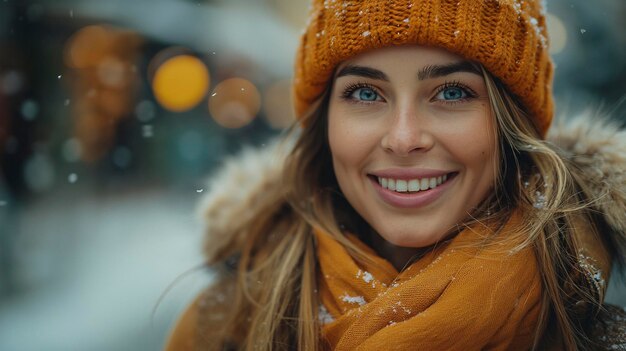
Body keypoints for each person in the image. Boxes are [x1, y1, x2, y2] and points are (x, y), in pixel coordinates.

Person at [165, 0, 626, 350]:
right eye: (365, 92)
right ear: (325, 124)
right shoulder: (219, 328)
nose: (404, 139)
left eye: (451, 91)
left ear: (511, 125)